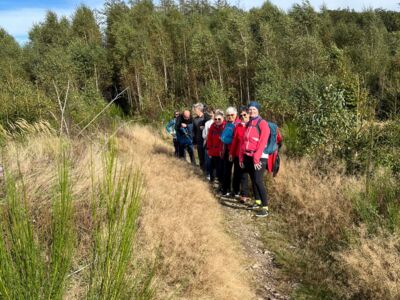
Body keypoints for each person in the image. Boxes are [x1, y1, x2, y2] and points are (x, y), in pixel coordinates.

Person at [239, 101, 270, 217]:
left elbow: (262, 142)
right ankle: (257, 202)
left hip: (260, 157)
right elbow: (244, 141)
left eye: (254, 109)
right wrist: (241, 157)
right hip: (248, 155)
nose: (251, 111)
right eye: (250, 109)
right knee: (253, 178)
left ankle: (265, 207)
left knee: (258, 180)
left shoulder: (263, 123)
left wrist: (256, 158)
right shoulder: (249, 123)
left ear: (258, 110)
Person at [229, 106, 250, 202]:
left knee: (245, 175)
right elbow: (234, 142)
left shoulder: (252, 126)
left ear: (249, 115)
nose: (243, 117)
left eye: (244, 115)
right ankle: (236, 190)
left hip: (249, 155)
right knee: (237, 173)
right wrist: (231, 153)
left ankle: (244, 194)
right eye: (241, 115)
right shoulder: (238, 127)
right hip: (238, 155)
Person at [220, 107, 239, 197]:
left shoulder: (238, 124)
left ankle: (236, 191)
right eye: (228, 115)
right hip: (227, 150)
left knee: (237, 172)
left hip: (237, 152)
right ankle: (226, 189)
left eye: (232, 115)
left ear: (236, 115)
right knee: (226, 171)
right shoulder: (226, 124)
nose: (230, 117)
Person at [206, 110, 225, 185]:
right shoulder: (212, 126)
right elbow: (209, 138)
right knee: (211, 167)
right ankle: (212, 182)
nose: (217, 120)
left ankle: (221, 183)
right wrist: (209, 149)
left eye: (219, 119)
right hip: (213, 151)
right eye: (215, 119)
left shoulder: (225, 126)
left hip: (221, 152)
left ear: (222, 119)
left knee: (220, 169)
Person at [192, 103, 206, 171]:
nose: (194, 111)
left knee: (207, 159)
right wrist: (194, 142)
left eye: (195, 109)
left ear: (199, 109)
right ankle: (202, 173)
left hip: (206, 141)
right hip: (199, 142)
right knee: (201, 158)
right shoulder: (194, 119)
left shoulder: (206, 118)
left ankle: (209, 174)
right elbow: (193, 132)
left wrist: (204, 127)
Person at [202, 108, 215, 181]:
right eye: (210, 114)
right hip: (208, 144)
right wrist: (207, 136)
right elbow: (203, 134)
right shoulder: (207, 123)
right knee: (207, 161)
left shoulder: (220, 122)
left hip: (217, 145)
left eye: (212, 113)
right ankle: (208, 174)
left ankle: (215, 176)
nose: (211, 115)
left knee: (215, 162)